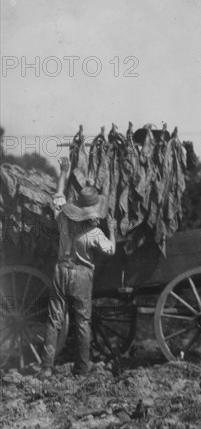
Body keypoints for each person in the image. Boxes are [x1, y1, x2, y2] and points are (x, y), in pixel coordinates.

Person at [40, 157, 116, 377]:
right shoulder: (94, 233)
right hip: (81, 276)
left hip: (60, 270)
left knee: (55, 319)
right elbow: (111, 250)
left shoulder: (64, 220)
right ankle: (81, 369)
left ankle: (46, 367)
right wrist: (111, 229)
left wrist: (63, 172)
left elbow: (58, 197)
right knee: (82, 321)